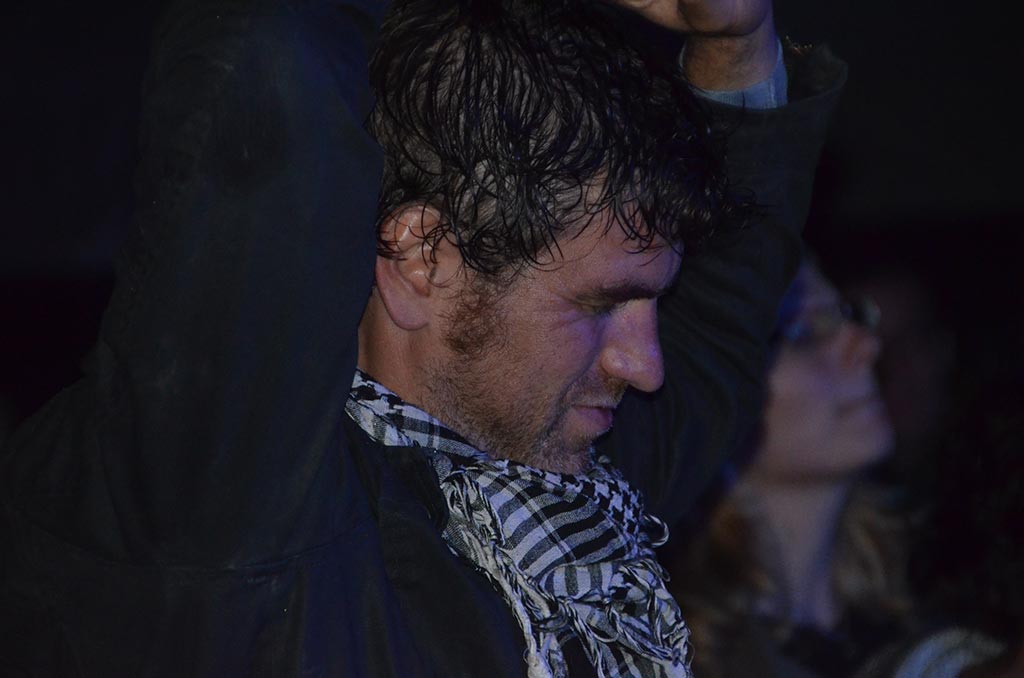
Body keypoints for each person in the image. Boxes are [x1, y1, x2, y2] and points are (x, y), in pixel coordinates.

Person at [0, 0, 845, 675]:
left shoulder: (569, 484)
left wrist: (737, 44)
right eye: (600, 306)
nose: (645, 364)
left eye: (650, 305)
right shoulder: (229, 511)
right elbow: (265, 72)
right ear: (420, 261)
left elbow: (723, 316)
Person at [665, 259, 914, 678]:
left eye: (850, 314)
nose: (867, 345)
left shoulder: (928, 637)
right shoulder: (667, 654)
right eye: (803, 333)